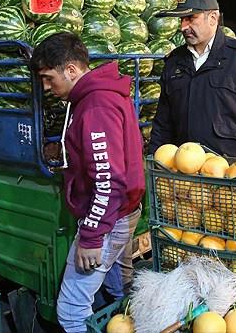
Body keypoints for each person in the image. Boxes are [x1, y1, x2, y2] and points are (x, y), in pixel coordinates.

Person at [30, 32, 145, 332]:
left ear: (70, 70)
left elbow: (108, 179)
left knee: (70, 312)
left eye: (47, 77)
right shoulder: (100, 96)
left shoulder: (95, 105)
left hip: (108, 220)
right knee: (120, 293)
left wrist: (92, 236)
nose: (46, 87)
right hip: (125, 213)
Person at [148, 0, 236, 157]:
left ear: (212, 18)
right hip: (185, 176)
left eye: (190, 18)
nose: (183, 27)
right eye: (182, 20)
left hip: (234, 173)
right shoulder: (174, 62)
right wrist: (154, 163)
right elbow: (163, 124)